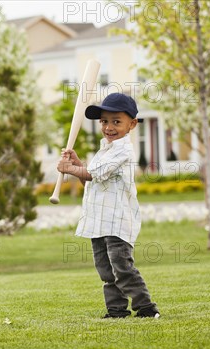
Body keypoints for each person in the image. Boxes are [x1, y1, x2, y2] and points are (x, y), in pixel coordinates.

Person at [57, 92, 160, 319]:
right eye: (104, 121)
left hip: (118, 222)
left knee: (122, 268)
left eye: (116, 121)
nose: (109, 127)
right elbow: (90, 180)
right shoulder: (105, 149)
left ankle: (146, 308)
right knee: (106, 271)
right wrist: (77, 164)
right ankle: (116, 311)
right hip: (99, 222)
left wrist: (69, 169)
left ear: (132, 124)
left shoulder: (123, 150)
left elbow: (97, 174)